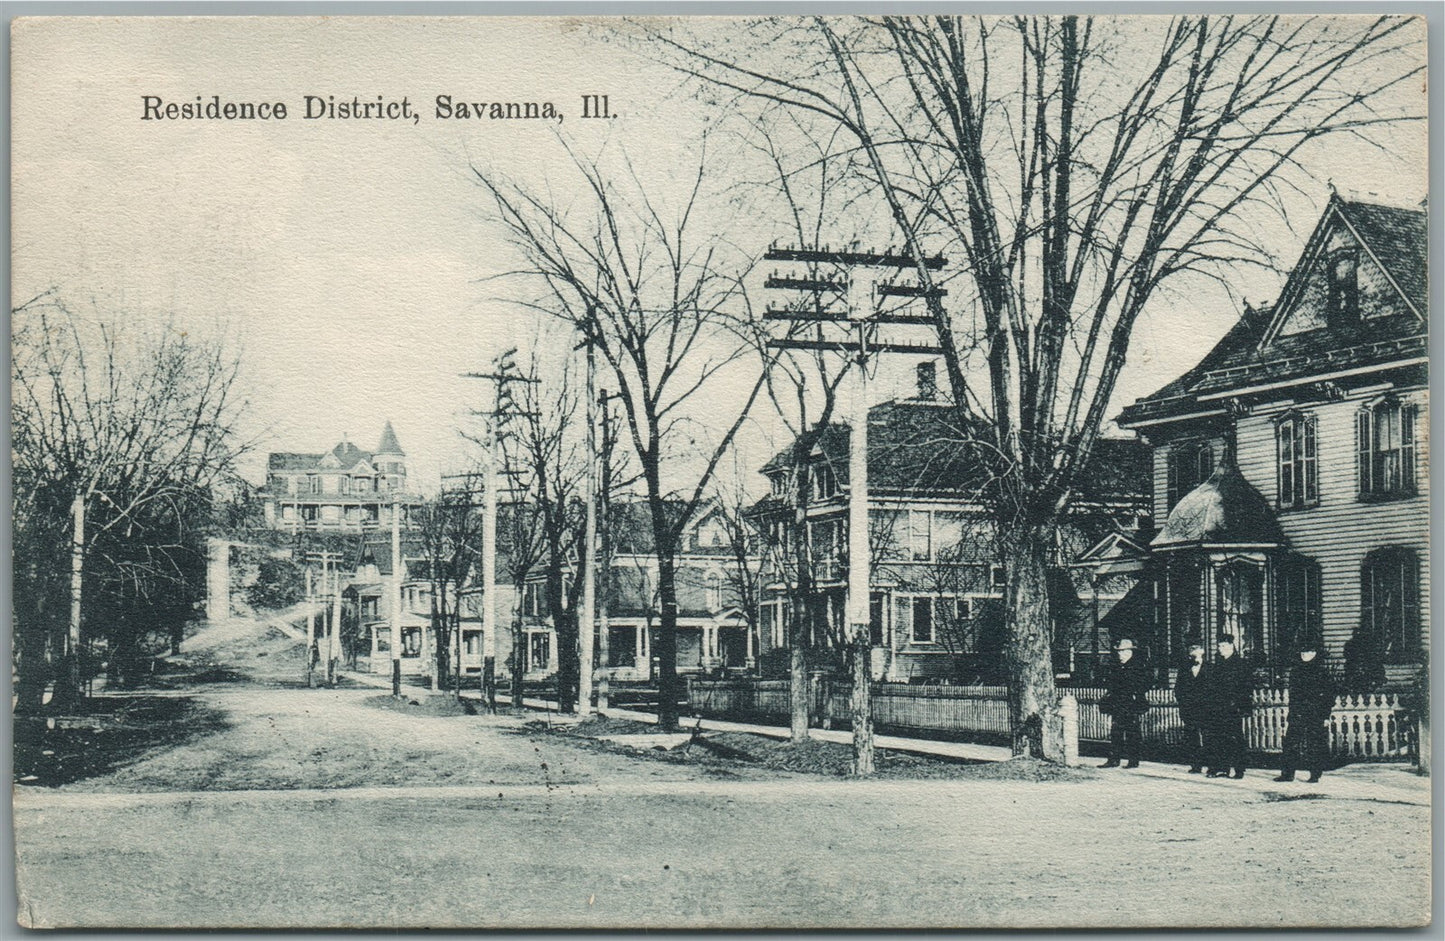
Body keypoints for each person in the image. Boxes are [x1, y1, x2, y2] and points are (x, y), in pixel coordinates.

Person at [1275, 643, 1335, 783]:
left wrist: (1325, 715)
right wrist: (1292, 712)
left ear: (1314, 653)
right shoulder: (1296, 671)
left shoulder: (1322, 672)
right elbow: (1293, 695)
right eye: (1302, 652)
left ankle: (1315, 773)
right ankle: (1288, 774)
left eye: (1307, 652)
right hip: (1298, 713)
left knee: (1315, 744)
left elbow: (1328, 696)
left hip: (1315, 714)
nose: (1304, 655)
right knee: (1291, 743)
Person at [1207, 633, 1252, 779]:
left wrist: (1242, 706)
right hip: (1217, 706)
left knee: (1235, 738)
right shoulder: (1217, 663)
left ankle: (1239, 769)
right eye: (1219, 646)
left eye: (1224, 646)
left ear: (1232, 646)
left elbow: (1246, 687)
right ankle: (1221, 768)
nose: (1221, 649)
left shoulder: (1240, 664)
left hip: (1233, 707)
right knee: (1218, 737)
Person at [1099, 637, 1150, 768]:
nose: (1119, 654)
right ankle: (1114, 759)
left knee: (1132, 733)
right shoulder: (1117, 666)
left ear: (1129, 651)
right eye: (1119, 652)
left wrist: (1136, 693)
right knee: (1116, 732)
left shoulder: (1138, 666)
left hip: (1132, 704)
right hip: (1118, 704)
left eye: (1122, 651)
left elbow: (1146, 683)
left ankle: (1133, 760)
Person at [1174, 643, 1208, 773]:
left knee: (1207, 736)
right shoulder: (1184, 669)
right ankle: (1196, 765)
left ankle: (1211, 765)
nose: (1195, 658)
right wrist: (1183, 702)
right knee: (1192, 737)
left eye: (1198, 655)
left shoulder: (1210, 668)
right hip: (1189, 709)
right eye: (1192, 656)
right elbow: (1178, 689)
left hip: (1206, 708)